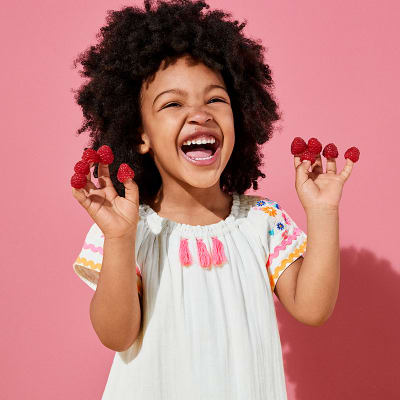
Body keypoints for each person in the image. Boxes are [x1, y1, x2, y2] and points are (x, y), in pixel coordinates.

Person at [71, 0, 354, 398]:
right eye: (172, 103)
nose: (200, 114)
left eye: (215, 99)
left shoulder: (261, 221)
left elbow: (313, 308)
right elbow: (117, 335)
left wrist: (322, 211)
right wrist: (119, 239)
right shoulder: (127, 227)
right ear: (140, 135)